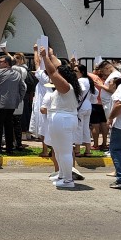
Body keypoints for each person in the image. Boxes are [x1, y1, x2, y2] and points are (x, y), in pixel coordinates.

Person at [40, 48, 81, 189]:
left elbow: (52, 72)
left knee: (64, 151)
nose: (55, 76)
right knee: (58, 150)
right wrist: (51, 55)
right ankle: (63, 175)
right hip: (60, 119)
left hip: (63, 119)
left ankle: (68, 180)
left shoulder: (66, 87)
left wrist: (45, 57)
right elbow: (56, 68)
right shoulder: (67, 86)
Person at [0, 55, 26, 154]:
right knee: (8, 125)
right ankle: (9, 148)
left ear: (6, 63)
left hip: (0, 103)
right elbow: (22, 89)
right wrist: (18, 99)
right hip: (11, 104)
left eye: (1, 61)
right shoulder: (17, 74)